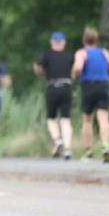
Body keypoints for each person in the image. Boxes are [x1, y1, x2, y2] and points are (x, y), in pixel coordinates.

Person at [72, 26, 109, 163]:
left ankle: (88, 152)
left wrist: (74, 74)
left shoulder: (81, 53)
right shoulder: (104, 52)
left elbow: (79, 67)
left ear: (84, 40)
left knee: (87, 120)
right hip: (103, 85)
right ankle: (105, 145)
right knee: (104, 117)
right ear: (96, 40)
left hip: (89, 85)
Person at [34, 31, 75, 160]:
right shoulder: (70, 55)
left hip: (52, 87)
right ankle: (67, 149)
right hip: (66, 87)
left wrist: (41, 73)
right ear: (64, 42)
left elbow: (37, 66)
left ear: (52, 42)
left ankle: (57, 139)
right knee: (66, 119)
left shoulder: (47, 54)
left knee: (51, 118)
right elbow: (75, 70)